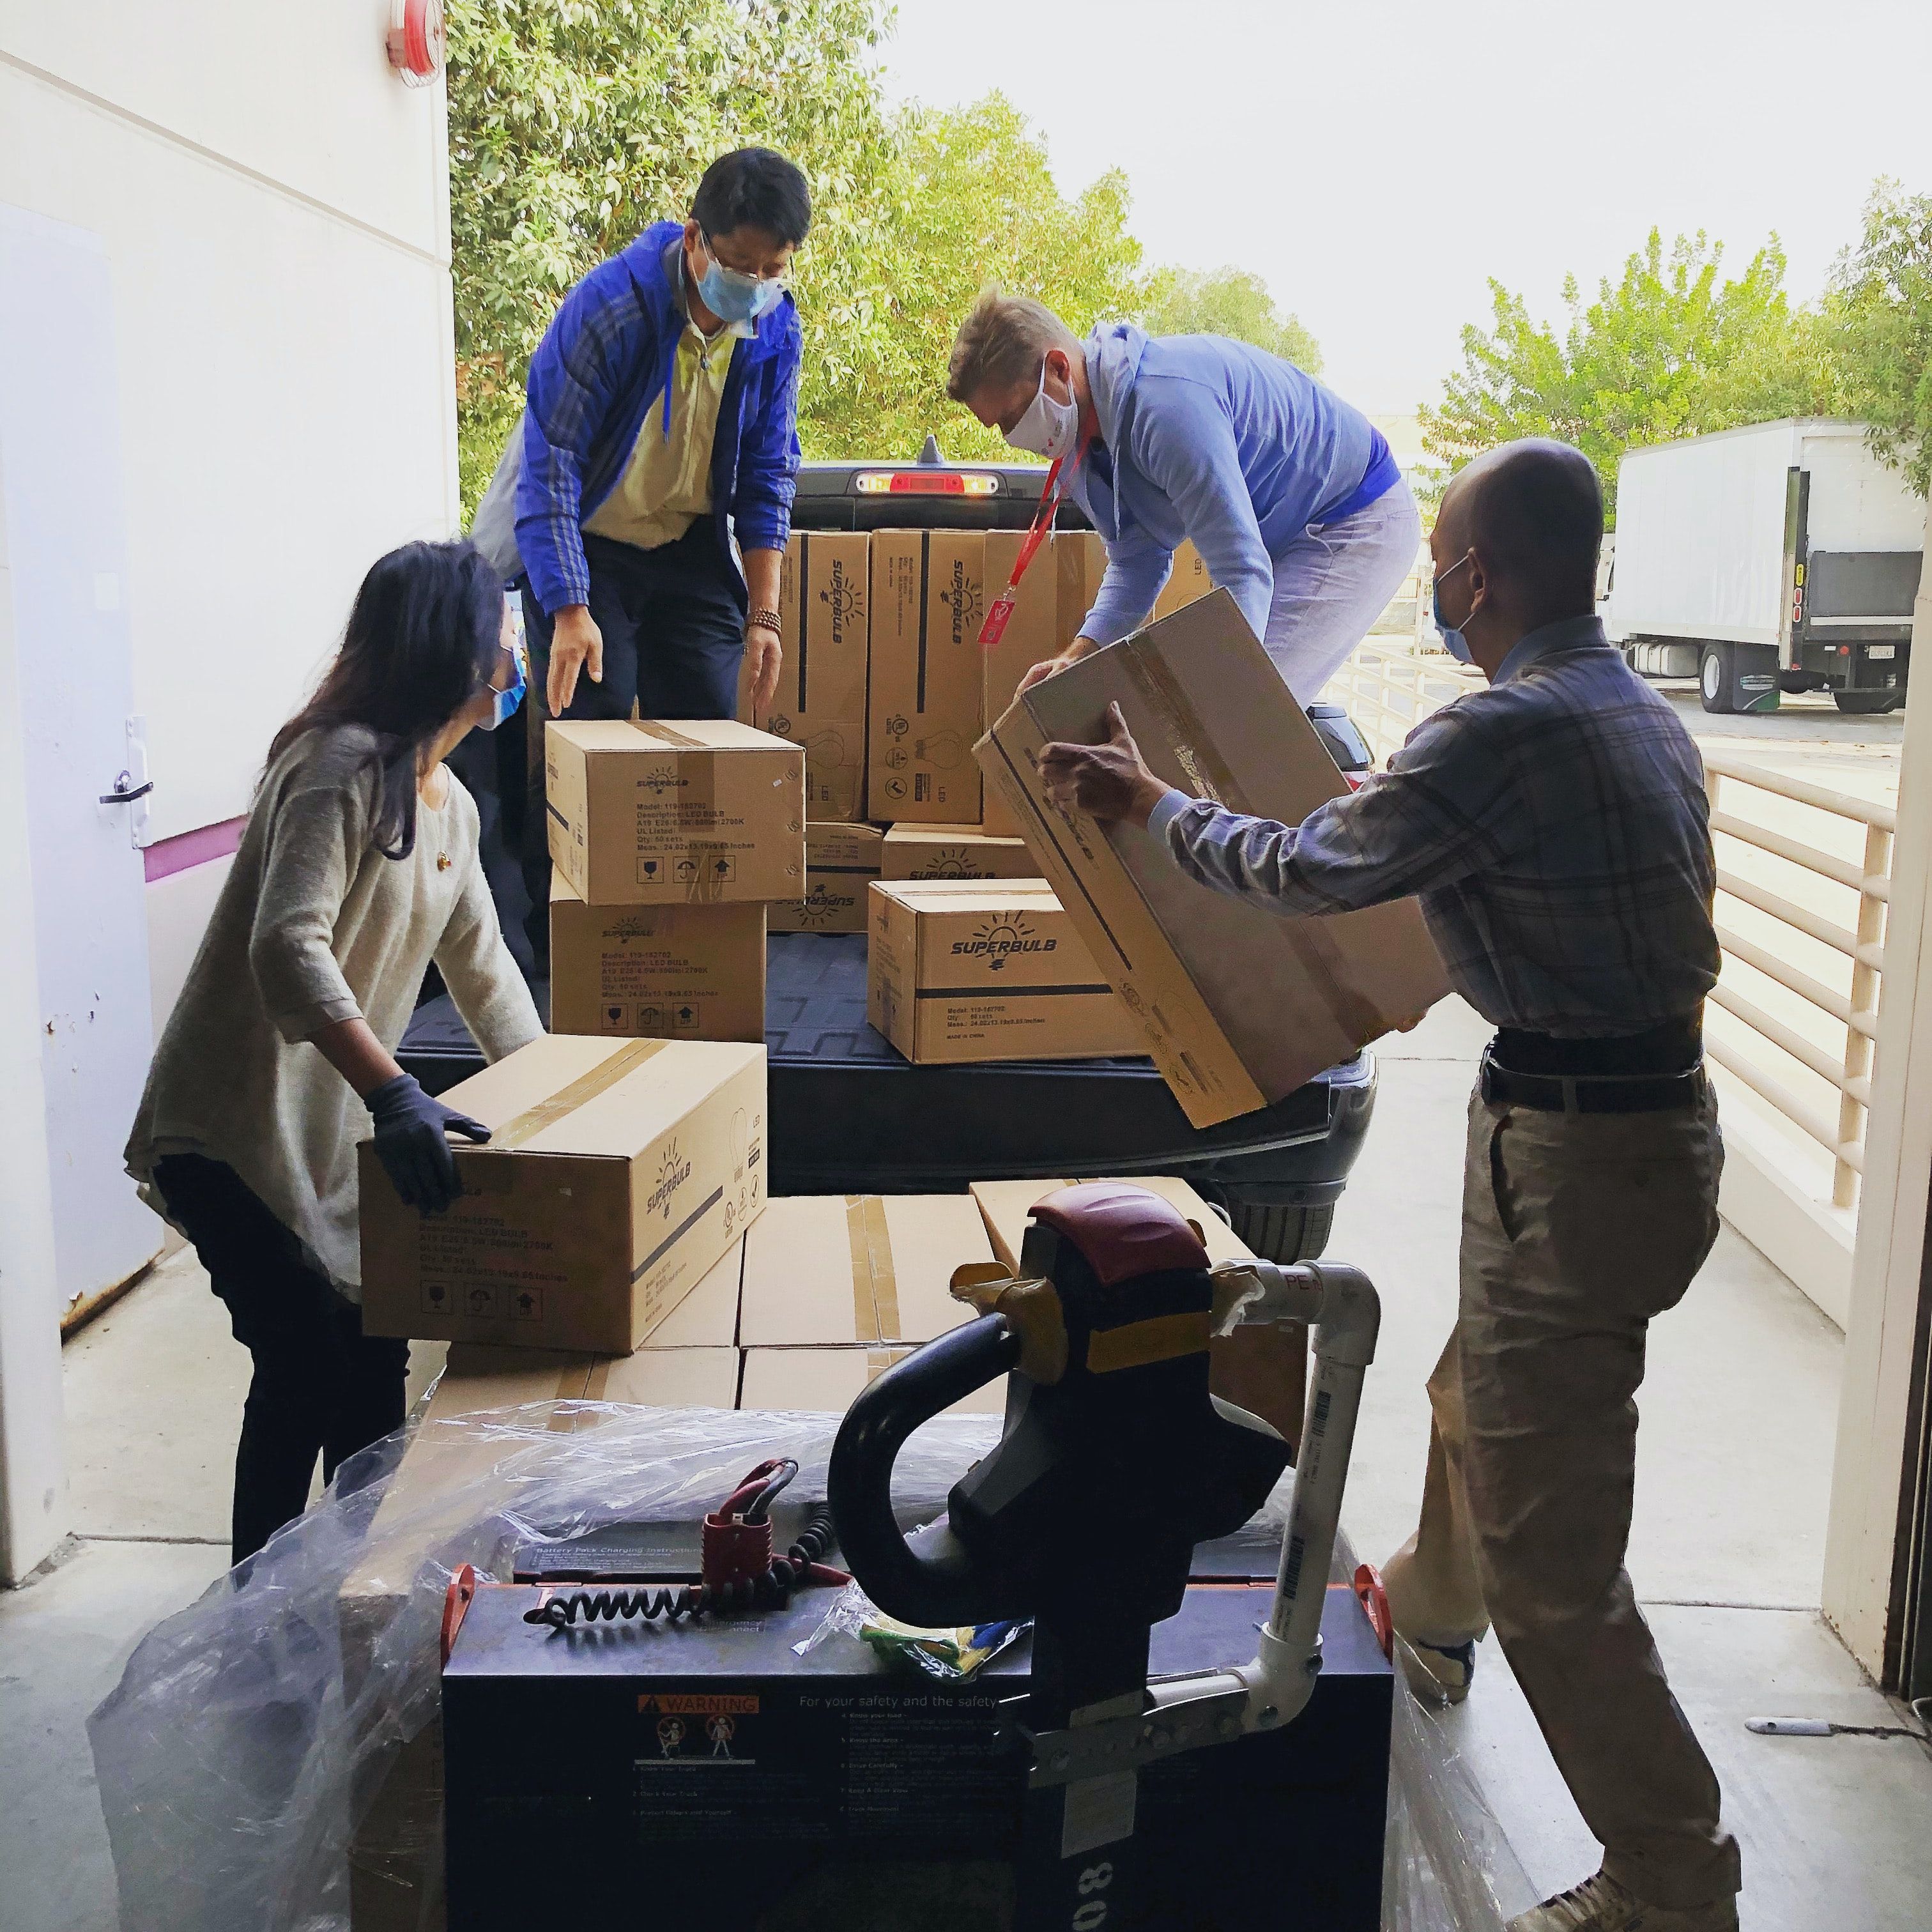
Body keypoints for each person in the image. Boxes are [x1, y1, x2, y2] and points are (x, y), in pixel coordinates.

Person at [1033, 440, 1740, 1932]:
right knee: (1472, 1394)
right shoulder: (1628, 713)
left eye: (1440, 551)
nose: (1430, 573)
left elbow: (1304, 872)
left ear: (1475, 574)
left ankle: (1674, 1876)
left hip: (1578, 1154)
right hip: (1640, 1136)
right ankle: (1435, 1603)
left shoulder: (1499, 739)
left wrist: (1145, 804)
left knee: (1563, 1568)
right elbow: (1468, 836)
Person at [125, 540, 543, 1566]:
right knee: (303, 1361)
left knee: (370, 1366)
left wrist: (571, 1115)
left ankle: (360, 1600)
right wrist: (398, 1092)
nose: (516, 651)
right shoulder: (340, 765)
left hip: (328, 1136)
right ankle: (257, 1622)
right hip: (227, 1130)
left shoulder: (451, 803)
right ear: (458, 650)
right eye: (504, 632)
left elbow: (486, 973)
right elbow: (286, 942)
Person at [511, 145, 809, 967]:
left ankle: (694, 948)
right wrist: (569, 608)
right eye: (738, 263)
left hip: (686, 548)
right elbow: (552, 463)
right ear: (694, 239)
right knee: (592, 747)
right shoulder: (612, 308)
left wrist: (765, 615)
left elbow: (769, 472)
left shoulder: (773, 327)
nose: (750, 284)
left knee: (711, 741)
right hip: (592, 552)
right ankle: (567, 957)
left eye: (771, 268)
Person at [946, 291, 1421, 709]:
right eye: (999, 428)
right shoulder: (1081, 449)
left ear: (1057, 368)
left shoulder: (1166, 411)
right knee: (1223, 719)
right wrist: (1077, 656)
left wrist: (1210, 705)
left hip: (1352, 517)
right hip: (1283, 534)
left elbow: (1242, 572)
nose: (1012, 436)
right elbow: (1138, 561)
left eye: (1012, 415)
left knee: (1251, 717)